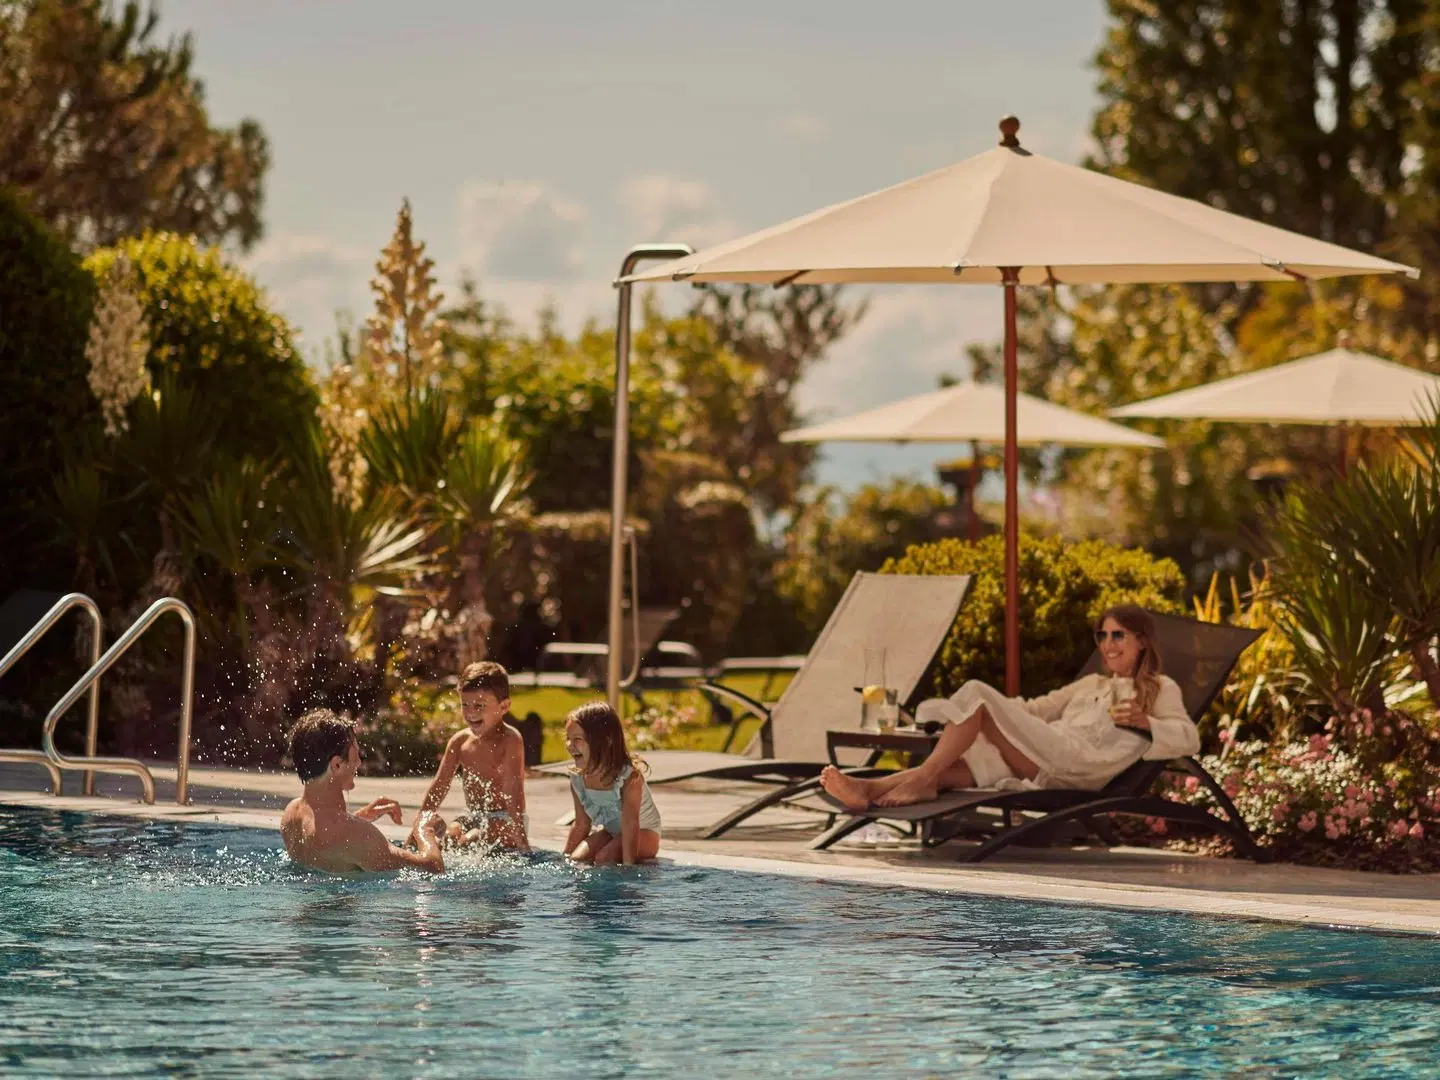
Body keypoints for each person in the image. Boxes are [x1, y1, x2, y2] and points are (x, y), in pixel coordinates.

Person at [820, 604, 1198, 810]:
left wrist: (1147, 723)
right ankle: (868, 789)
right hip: (1045, 754)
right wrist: (975, 713)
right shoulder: (1091, 684)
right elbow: (1033, 711)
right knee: (965, 761)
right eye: (1103, 635)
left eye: (1119, 635)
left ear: (1142, 641)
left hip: (1078, 764)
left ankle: (919, 779)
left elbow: (1189, 737)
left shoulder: (1160, 688)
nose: (1109, 644)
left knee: (977, 695)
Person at [280, 708, 445, 874]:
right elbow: (431, 869)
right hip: (344, 900)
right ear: (337, 765)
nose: (358, 762)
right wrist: (425, 829)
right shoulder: (355, 835)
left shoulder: (291, 814)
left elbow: (329, 841)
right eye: (356, 754)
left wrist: (358, 818)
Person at [409, 661, 528, 851]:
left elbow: (513, 790)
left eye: (479, 705)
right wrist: (420, 822)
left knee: (470, 841)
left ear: (504, 707)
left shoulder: (510, 740)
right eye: (465, 704)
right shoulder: (460, 741)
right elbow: (440, 785)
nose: (471, 712)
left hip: (506, 819)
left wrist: (521, 838)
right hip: (472, 815)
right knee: (449, 839)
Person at [563, 701, 662, 865]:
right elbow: (581, 824)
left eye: (577, 739)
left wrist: (628, 868)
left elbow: (631, 824)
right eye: (568, 739)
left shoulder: (628, 778)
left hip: (644, 833)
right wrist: (564, 860)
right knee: (576, 860)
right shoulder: (578, 779)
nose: (569, 745)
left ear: (605, 741)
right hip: (612, 832)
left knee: (605, 858)